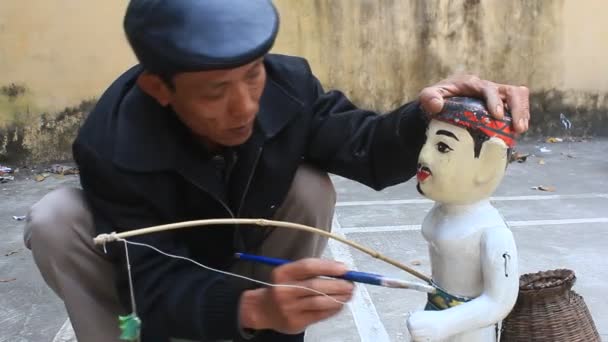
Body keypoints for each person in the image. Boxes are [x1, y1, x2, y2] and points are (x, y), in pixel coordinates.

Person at [23, 1, 530, 341]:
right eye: (217, 92)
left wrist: (428, 111)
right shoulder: (112, 144)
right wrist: (253, 307)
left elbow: (364, 148)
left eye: (252, 75)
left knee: (309, 188)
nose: (244, 106)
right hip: (159, 280)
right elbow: (151, 284)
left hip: (248, 258)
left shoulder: (287, 86)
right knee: (55, 220)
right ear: (160, 89)